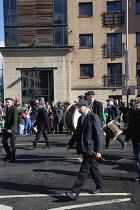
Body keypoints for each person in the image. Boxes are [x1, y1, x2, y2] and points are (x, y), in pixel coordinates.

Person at [65, 100, 104, 200]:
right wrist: (70, 144)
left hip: (90, 149)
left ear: (86, 107)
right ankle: (101, 186)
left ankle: (75, 192)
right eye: (77, 107)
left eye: (80, 107)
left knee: (83, 170)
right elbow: (77, 132)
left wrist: (98, 150)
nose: (78, 109)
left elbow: (98, 135)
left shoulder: (93, 117)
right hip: (84, 147)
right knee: (93, 168)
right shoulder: (80, 118)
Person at [125, 97, 140, 182]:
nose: (137, 104)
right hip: (134, 138)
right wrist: (127, 137)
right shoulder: (133, 112)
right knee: (137, 158)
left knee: (138, 156)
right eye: (136, 103)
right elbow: (130, 126)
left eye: (138, 103)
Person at [2, 98, 18, 162]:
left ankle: (13, 157)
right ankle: (9, 154)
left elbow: (15, 120)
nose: (7, 103)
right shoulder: (7, 109)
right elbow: (8, 118)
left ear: (12, 102)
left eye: (8, 102)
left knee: (12, 144)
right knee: (3, 141)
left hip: (12, 129)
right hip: (6, 128)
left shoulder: (14, 109)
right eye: (6, 102)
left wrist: (11, 129)